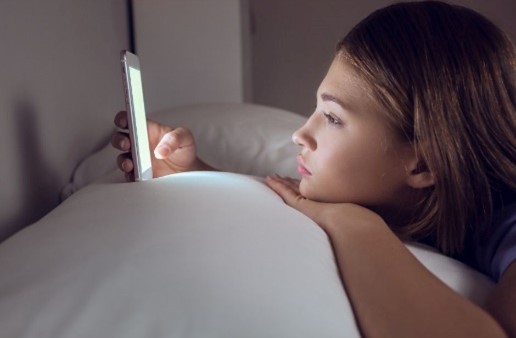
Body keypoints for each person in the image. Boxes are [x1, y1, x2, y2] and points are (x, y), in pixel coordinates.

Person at [112, 1, 515, 337]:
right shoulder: (412, 198)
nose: (301, 134)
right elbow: (288, 197)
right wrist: (188, 170)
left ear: (424, 162)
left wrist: (354, 225)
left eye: (333, 118)